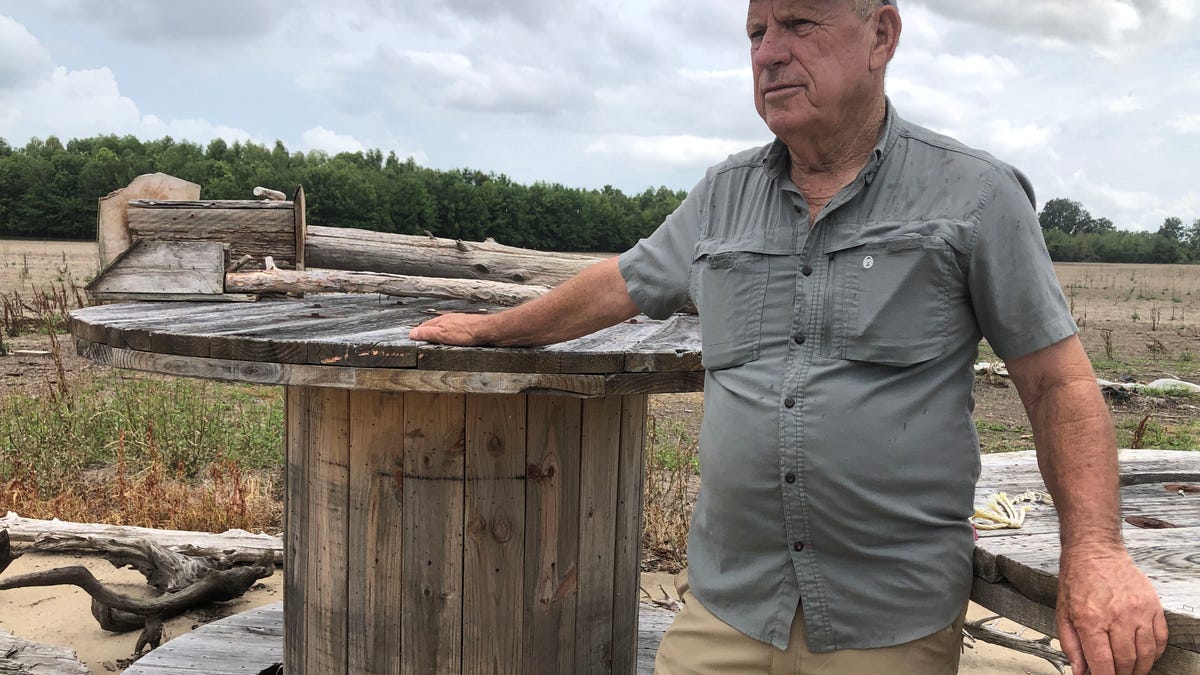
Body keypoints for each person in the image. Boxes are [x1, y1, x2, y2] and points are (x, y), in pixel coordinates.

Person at [409, 1, 1169, 673]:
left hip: (886, 626)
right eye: (755, 31)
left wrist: (1096, 553)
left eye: (799, 23)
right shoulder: (722, 196)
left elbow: (1057, 382)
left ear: (882, 35)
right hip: (728, 610)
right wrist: (492, 328)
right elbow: (617, 284)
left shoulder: (974, 196)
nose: (769, 51)